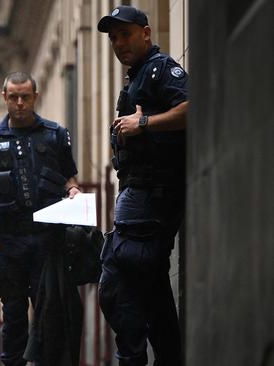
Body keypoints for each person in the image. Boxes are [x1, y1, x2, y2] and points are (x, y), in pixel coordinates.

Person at [0, 72, 83, 365]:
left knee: (49, 316)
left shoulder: (55, 134)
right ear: (4, 97)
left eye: (25, 96)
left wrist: (74, 189)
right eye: (13, 97)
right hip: (10, 244)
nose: (19, 103)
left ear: (35, 97)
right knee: (13, 317)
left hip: (48, 241)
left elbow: (69, 176)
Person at [97, 5, 188, 366]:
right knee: (152, 296)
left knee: (117, 288)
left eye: (126, 34)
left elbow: (193, 107)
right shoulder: (137, 77)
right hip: (139, 197)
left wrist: (145, 122)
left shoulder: (162, 68)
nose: (119, 43)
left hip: (154, 198)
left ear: (146, 34)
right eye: (114, 37)